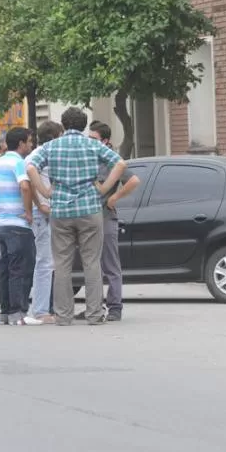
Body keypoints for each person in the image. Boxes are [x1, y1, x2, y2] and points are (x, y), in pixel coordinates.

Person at [26, 107, 126, 327]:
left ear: (64, 124)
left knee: (62, 264)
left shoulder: (52, 146)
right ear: (83, 125)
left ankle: (63, 315)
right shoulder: (93, 145)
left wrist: (44, 192)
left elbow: (31, 166)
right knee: (92, 262)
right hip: (90, 209)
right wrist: (104, 188)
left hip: (60, 210)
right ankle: (94, 314)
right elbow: (120, 164)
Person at [84, 120, 141, 322]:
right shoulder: (88, 157)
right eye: (88, 138)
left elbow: (133, 181)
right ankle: (94, 305)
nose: (89, 142)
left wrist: (114, 198)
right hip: (88, 215)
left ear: (106, 141)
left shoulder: (112, 159)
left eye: (93, 139)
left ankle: (115, 306)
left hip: (106, 216)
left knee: (110, 264)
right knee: (92, 264)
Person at [0, 127, 37, 326]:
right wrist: (28, 211)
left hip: (2, 224)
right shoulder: (19, 163)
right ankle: (19, 311)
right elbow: (25, 186)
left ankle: (5, 311)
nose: (31, 145)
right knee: (22, 268)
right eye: (30, 141)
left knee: (6, 268)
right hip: (18, 224)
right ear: (21, 143)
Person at [25, 120, 64, 324]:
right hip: (43, 213)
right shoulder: (40, 155)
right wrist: (40, 203)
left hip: (46, 211)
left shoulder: (42, 155)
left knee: (50, 262)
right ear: (55, 135)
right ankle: (39, 310)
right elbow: (29, 182)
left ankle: (46, 307)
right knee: (45, 262)